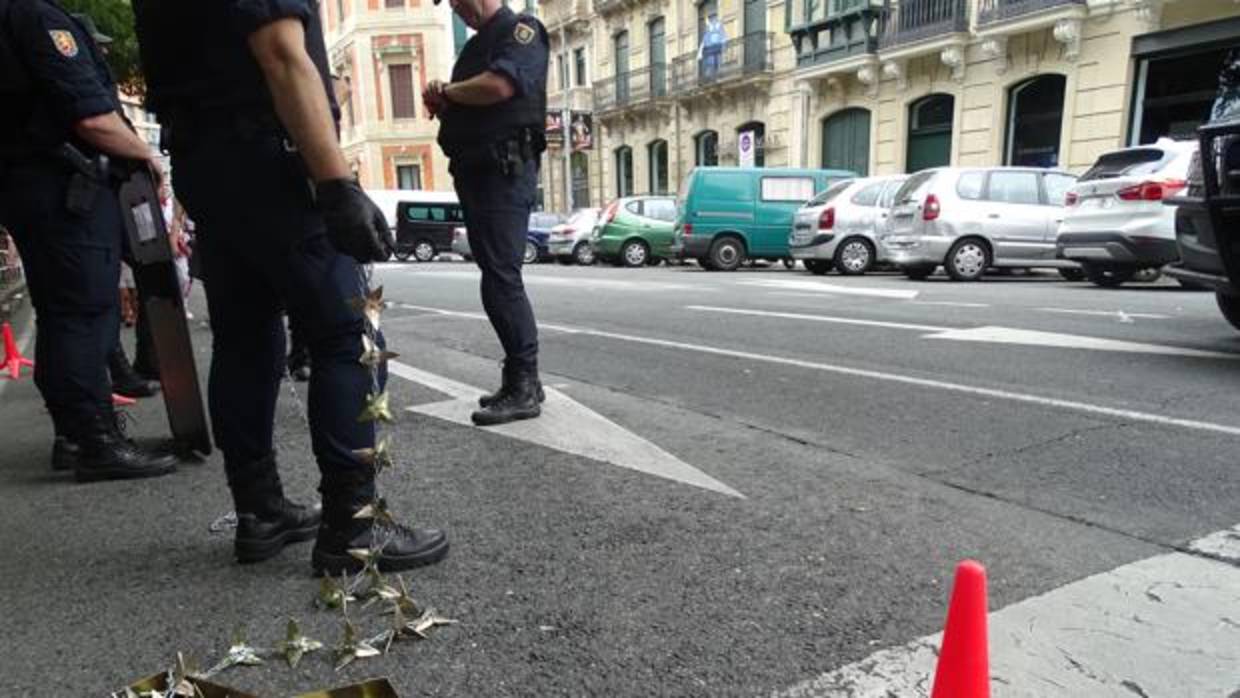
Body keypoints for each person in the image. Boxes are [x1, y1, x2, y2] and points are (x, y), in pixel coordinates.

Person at [132, 2, 448, 573]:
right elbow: (280, 51)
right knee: (349, 334)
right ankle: (353, 529)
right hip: (269, 155)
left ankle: (260, 511)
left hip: (207, 161)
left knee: (244, 337)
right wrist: (334, 182)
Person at [0, 2, 177, 481]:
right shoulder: (38, 18)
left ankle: (76, 434)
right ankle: (95, 441)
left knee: (64, 312)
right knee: (83, 312)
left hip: (39, 189)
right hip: (66, 189)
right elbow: (90, 115)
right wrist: (145, 155)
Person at [422, 0, 549, 426]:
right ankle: (520, 379)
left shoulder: (522, 31)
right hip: (479, 172)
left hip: (503, 171)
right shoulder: (474, 49)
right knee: (496, 275)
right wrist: (447, 101)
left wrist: (447, 92)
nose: (456, 7)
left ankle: (524, 385)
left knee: (501, 278)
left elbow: (499, 87)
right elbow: (471, 98)